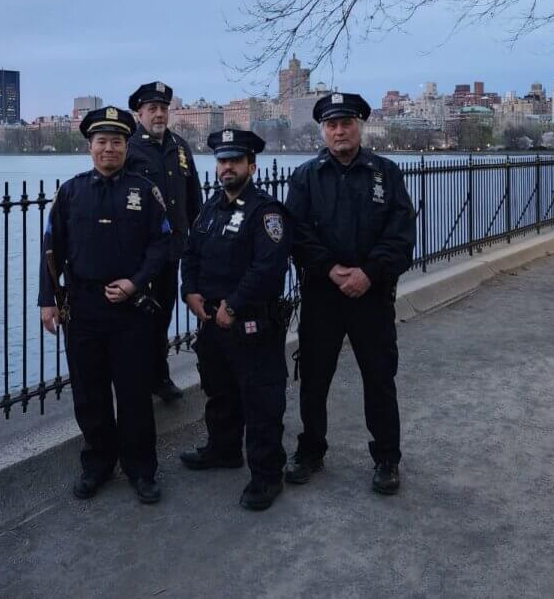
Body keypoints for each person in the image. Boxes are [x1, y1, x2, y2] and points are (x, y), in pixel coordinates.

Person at [284, 92, 417, 495]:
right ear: (322, 130)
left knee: (379, 378)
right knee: (314, 378)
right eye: (331, 125)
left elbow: (401, 234)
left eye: (346, 123)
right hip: (323, 295)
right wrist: (329, 268)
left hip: (371, 295)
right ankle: (311, 450)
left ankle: (387, 458)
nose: (339, 131)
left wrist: (369, 272)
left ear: (359, 126)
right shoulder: (306, 176)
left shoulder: (386, 174)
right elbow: (296, 232)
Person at [39, 105, 171, 504]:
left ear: (126, 146)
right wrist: (48, 302)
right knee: (89, 393)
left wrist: (135, 282)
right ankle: (97, 464)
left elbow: (162, 244)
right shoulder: (71, 192)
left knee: (133, 395)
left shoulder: (145, 192)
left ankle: (140, 469)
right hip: (83, 308)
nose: (109, 149)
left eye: (116, 141)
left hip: (130, 309)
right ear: (90, 147)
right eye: (102, 142)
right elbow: (51, 250)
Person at [179, 129, 292, 510]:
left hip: (250, 323)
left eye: (235, 161)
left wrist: (233, 305)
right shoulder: (210, 209)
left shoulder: (265, 212)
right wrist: (189, 292)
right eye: (223, 161)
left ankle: (266, 475)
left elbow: (269, 268)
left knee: (261, 401)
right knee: (220, 391)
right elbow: (190, 254)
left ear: (251, 166)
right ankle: (224, 450)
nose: (227, 167)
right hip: (211, 320)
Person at [126, 81, 202, 402]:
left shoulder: (179, 147)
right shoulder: (129, 148)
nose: (159, 114)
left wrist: (196, 238)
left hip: (173, 250)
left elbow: (193, 197)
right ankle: (137, 379)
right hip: (140, 253)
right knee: (138, 319)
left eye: (163, 109)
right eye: (152, 109)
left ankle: (159, 376)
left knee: (163, 315)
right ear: (140, 112)